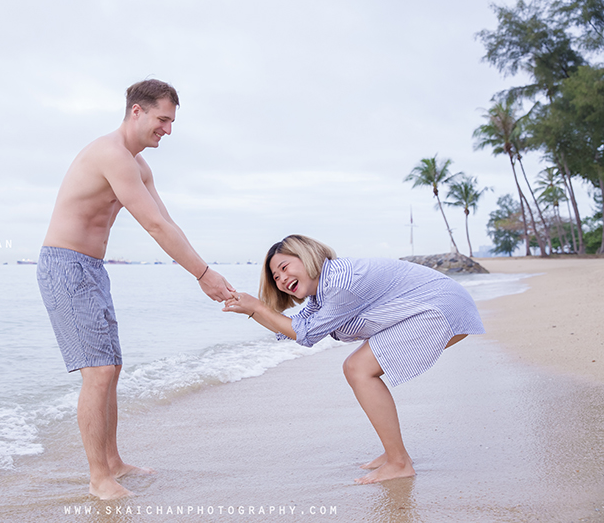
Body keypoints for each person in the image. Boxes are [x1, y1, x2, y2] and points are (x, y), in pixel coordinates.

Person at [37, 79, 233, 500]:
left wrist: (205, 270)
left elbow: (168, 221)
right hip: (64, 267)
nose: (167, 129)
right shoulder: (111, 155)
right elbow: (155, 227)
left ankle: (113, 462)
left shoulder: (140, 166)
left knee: (112, 369)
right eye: (162, 119)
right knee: (98, 372)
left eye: (172, 121)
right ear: (137, 111)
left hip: (91, 268)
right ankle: (98, 479)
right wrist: (203, 275)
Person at [223, 234, 484, 484]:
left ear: (306, 255)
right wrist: (251, 309)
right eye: (276, 277)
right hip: (440, 305)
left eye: (284, 267)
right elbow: (295, 327)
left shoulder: (339, 283)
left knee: (358, 368)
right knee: (357, 367)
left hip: (442, 308)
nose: (281, 279)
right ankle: (394, 453)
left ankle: (399, 462)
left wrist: (257, 307)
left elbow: (306, 334)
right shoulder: (322, 290)